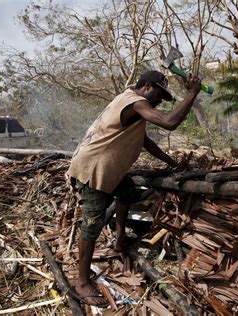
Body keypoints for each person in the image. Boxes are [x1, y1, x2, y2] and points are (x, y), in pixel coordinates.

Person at [67, 70, 201, 305]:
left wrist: (172, 163)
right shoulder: (135, 102)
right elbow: (169, 122)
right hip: (93, 169)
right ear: (148, 86)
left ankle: (120, 240)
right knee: (92, 224)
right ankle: (81, 282)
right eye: (160, 94)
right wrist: (192, 93)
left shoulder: (129, 103)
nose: (160, 100)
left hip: (109, 169)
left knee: (126, 191)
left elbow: (145, 141)